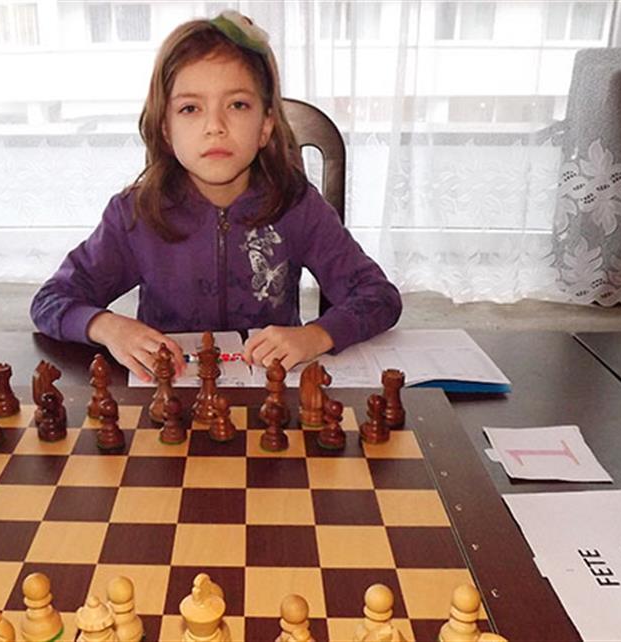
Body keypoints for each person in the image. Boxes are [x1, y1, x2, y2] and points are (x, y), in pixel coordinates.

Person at [31, 10, 401, 382]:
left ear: (265, 125)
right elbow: (51, 300)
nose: (215, 127)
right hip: (170, 398)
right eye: (190, 108)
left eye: (237, 105)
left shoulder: (298, 205)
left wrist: (316, 335)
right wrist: (108, 326)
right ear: (165, 130)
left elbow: (379, 296)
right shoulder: (135, 215)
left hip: (271, 396)